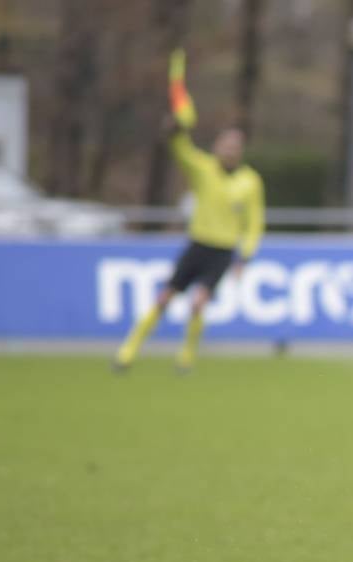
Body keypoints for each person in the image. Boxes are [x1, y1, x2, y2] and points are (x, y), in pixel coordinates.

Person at [113, 49, 264, 373]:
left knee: (198, 303)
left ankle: (186, 357)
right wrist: (175, 129)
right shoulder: (203, 169)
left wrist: (246, 256)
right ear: (217, 147)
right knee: (165, 297)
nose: (229, 150)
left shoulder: (250, 182)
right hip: (198, 244)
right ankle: (128, 351)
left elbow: (254, 222)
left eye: (235, 146)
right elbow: (179, 148)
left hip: (223, 250)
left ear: (240, 151)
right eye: (225, 145)